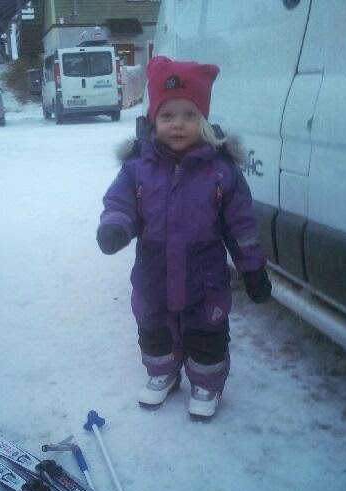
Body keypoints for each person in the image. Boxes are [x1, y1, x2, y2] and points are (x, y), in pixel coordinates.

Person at [96, 56, 271, 419]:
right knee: (154, 328)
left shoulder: (220, 171)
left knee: (207, 331)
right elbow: (120, 202)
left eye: (189, 115)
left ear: (203, 120)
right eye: (167, 115)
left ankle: (207, 383)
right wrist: (115, 227)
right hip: (153, 272)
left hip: (204, 276)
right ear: (153, 119)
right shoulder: (138, 167)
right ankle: (162, 373)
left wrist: (252, 267)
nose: (178, 124)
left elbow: (240, 224)